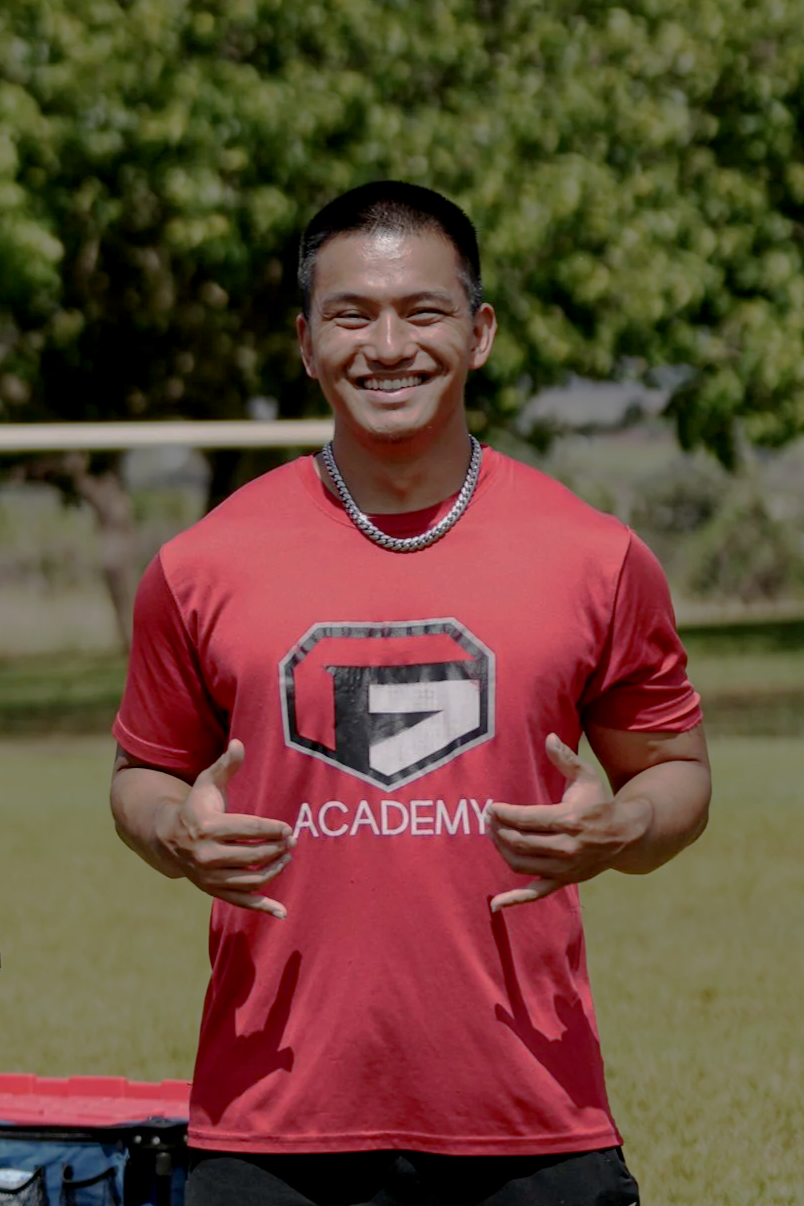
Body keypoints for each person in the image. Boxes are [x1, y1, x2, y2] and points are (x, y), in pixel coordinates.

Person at [110, 181, 711, 1206]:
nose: (388, 345)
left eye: (422, 312)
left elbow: (676, 772)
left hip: (530, 1113)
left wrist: (623, 825)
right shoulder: (201, 563)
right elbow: (143, 774)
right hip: (271, 1123)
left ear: (478, 334)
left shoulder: (594, 556)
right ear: (306, 343)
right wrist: (171, 829)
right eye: (352, 315)